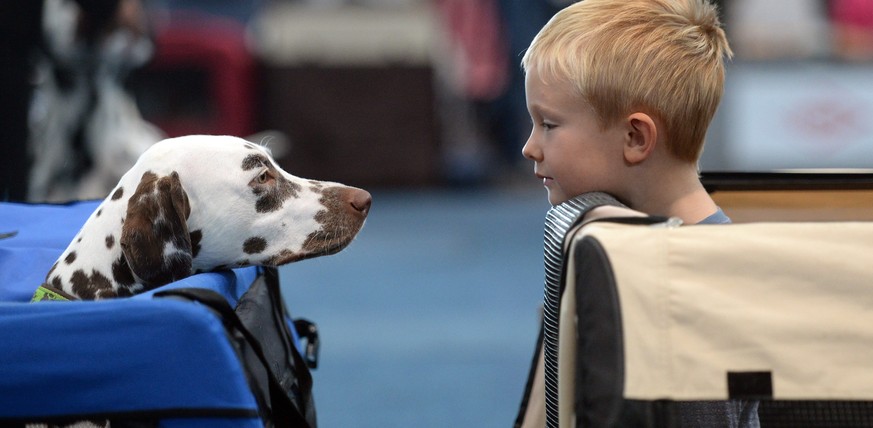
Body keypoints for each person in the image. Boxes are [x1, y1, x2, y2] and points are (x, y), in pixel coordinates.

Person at [514, 0, 758, 427]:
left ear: (634, 136)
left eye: (548, 125)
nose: (529, 147)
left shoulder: (689, 292)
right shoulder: (639, 254)